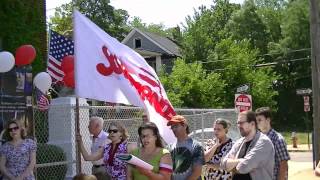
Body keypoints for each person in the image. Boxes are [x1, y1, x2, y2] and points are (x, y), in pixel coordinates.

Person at [221, 111, 275, 180]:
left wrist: (231, 164)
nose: (239, 126)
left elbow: (244, 167)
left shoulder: (264, 142)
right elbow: (223, 164)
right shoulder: (239, 142)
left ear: (252, 124)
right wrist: (241, 160)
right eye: (238, 123)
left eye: (241, 123)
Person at [256, 107, 290, 180]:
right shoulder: (257, 138)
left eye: (259, 120)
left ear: (268, 120)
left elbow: (283, 164)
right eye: (256, 120)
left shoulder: (278, 139)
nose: (257, 123)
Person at [166, 115, 205, 180]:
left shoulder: (196, 146)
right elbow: (168, 170)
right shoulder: (169, 147)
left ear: (185, 126)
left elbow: (197, 172)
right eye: (172, 127)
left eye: (176, 126)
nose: (173, 129)